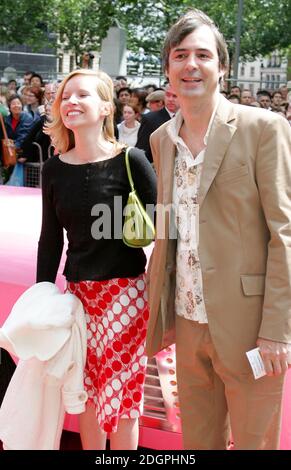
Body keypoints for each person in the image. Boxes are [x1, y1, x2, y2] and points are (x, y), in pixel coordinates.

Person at [146, 9, 291, 450]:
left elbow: (283, 233)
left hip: (251, 327)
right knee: (198, 442)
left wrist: (277, 331)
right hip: (189, 325)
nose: (191, 65)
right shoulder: (161, 139)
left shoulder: (263, 128)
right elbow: (169, 228)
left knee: (254, 443)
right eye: (180, 55)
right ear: (168, 68)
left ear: (222, 67)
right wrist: (165, 311)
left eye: (203, 55)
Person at [36, 69, 157, 450]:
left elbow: (170, 226)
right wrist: (41, 297)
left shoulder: (132, 161)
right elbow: (50, 239)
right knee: (85, 391)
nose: (71, 102)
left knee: (121, 400)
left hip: (127, 295)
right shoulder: (54, 169)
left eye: (82, 95)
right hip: (78, 299)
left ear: (107, 106)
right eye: (65, 96)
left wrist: (157, 282)